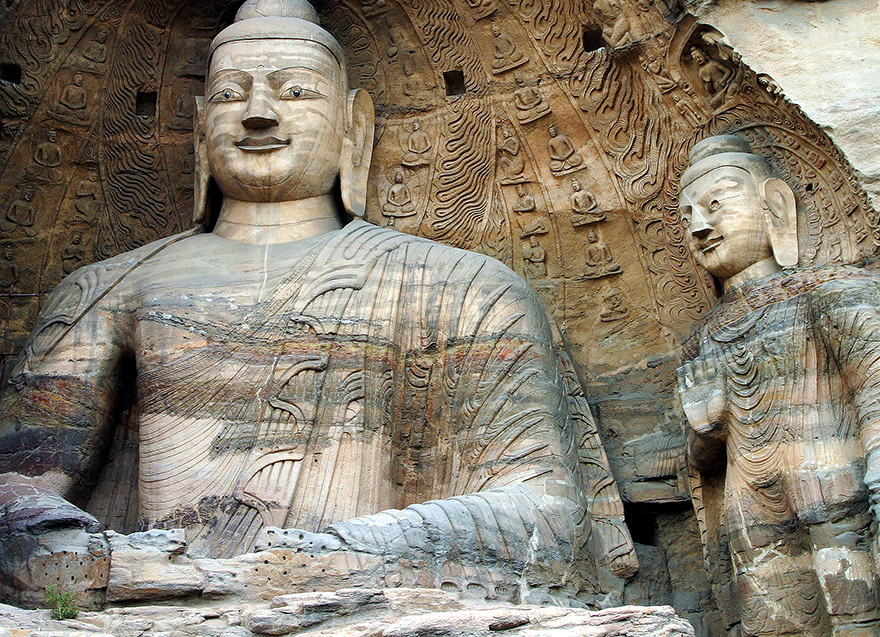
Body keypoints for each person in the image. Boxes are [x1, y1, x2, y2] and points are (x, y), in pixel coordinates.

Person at [0, 0, 635, 608]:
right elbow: (17, 496)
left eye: (295, 91)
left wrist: (340, 555)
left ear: (356, 125)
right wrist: (101, 562)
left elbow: (548, 518)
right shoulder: (106, 292)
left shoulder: (464, 287)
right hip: (155, 600)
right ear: (198, 128)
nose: (256, 114)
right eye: (229, 94)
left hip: (366, 596)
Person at [678, 134, 880, 635]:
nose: (700, 227)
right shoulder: (703, 338)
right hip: (753, 520)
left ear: (776, 205)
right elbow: (704, 465)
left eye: (716, 205)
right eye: (687, 217)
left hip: (841, 495)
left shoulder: (834, 289)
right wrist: (706, 429)